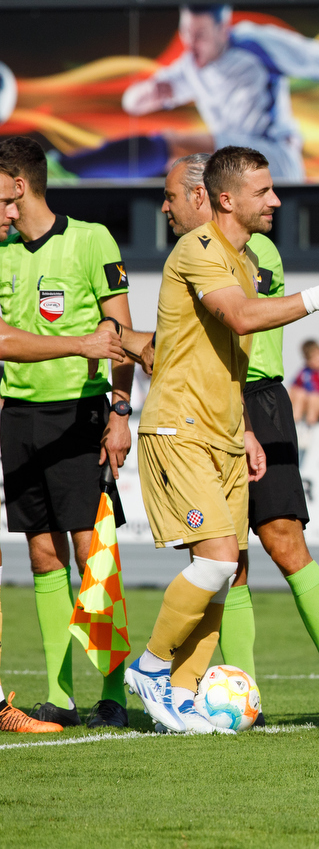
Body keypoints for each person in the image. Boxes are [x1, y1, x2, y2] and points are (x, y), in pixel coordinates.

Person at [119, 146, 319, 735]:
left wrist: (242, 428)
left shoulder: (241, 259)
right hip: (180, 427)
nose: (278, 201)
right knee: (217, 562)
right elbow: (239, 320)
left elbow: (228, 357)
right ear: (228, 198)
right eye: (265, 192)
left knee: (227, 566)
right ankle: (153, 666)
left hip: (225, 426)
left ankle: (184, 696)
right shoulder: (200, 249)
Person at [0, 136, 136, 729]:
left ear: (19, 184)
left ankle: (113, 689)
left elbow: (122, 332)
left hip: (79, 412)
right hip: (18, 415)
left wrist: (121, 412)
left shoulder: (90, 238)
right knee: (40, 551)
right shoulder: (2, 252)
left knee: (91, 550)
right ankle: (58, 693)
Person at [118, 4, 319, 183]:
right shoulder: (191, 66)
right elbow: (131, 103)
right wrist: (147, 93)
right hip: (233, 164)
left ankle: (73, 168)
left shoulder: (256, 42)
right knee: (180, 173)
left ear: (223, 29)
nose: (190, 44)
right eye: (185, 33)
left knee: (179, 146)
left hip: (273, 156)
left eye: (200, 36)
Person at [290, 340, 319, 423]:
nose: (317, 360)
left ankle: (310, 426)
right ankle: (295, 423)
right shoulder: (305, 373)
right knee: (300, 394)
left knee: (314, 398)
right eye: (313, 358)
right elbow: (294, 387)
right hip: (307, 400)